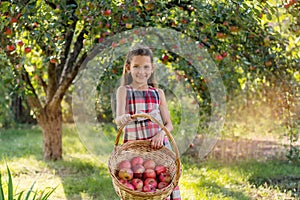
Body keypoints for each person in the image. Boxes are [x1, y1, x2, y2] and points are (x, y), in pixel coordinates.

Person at [115, 44, 181, 200]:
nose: (141, 71)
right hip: (134, 149)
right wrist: (122, 119)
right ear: (128, 67)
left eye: (146, 67)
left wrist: (161, 134)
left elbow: (168, 124)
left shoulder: (158, 93)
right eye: (136, 66)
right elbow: (118, 119)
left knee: (160, 188)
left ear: (152, 68)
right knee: (137, 191)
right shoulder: (124, 91)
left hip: (157, 148)